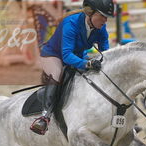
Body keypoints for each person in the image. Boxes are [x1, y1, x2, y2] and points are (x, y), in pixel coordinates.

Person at [30, 0, 114, 135]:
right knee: (57, 74)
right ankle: (44, 117)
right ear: (89, 12)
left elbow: (106, 54)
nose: (105, 20)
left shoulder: (101, 29)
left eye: (107, 17)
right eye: (102, 16)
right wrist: (87, 64)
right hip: (53, 56)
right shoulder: (71, 23)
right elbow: (67, 55)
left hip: (77, 56)